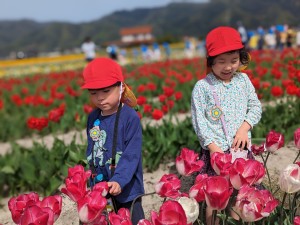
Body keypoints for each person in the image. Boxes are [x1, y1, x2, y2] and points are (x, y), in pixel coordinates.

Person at [191, 26, 262, 224]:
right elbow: (199, 122)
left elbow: (255, 107)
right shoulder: (203, 87)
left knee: (240, 197)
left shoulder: (243, 80)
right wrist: (214, 149)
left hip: (240, 149)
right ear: (210, 61)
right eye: (221, 62)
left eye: (234, 61)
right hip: (216, 153)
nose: (228, 67)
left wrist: (244, 128)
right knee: (215, 198)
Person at [81, 57, 145, 224]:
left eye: (105, 91)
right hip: (101, 184)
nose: (100, 98)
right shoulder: (93, 117)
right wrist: (90, 178)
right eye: (93, 93)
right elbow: (92, 149)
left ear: (121, 87)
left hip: (126, 186)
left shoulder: (129, 117)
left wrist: (119, 179)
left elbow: (132, 155)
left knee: (132, 219)